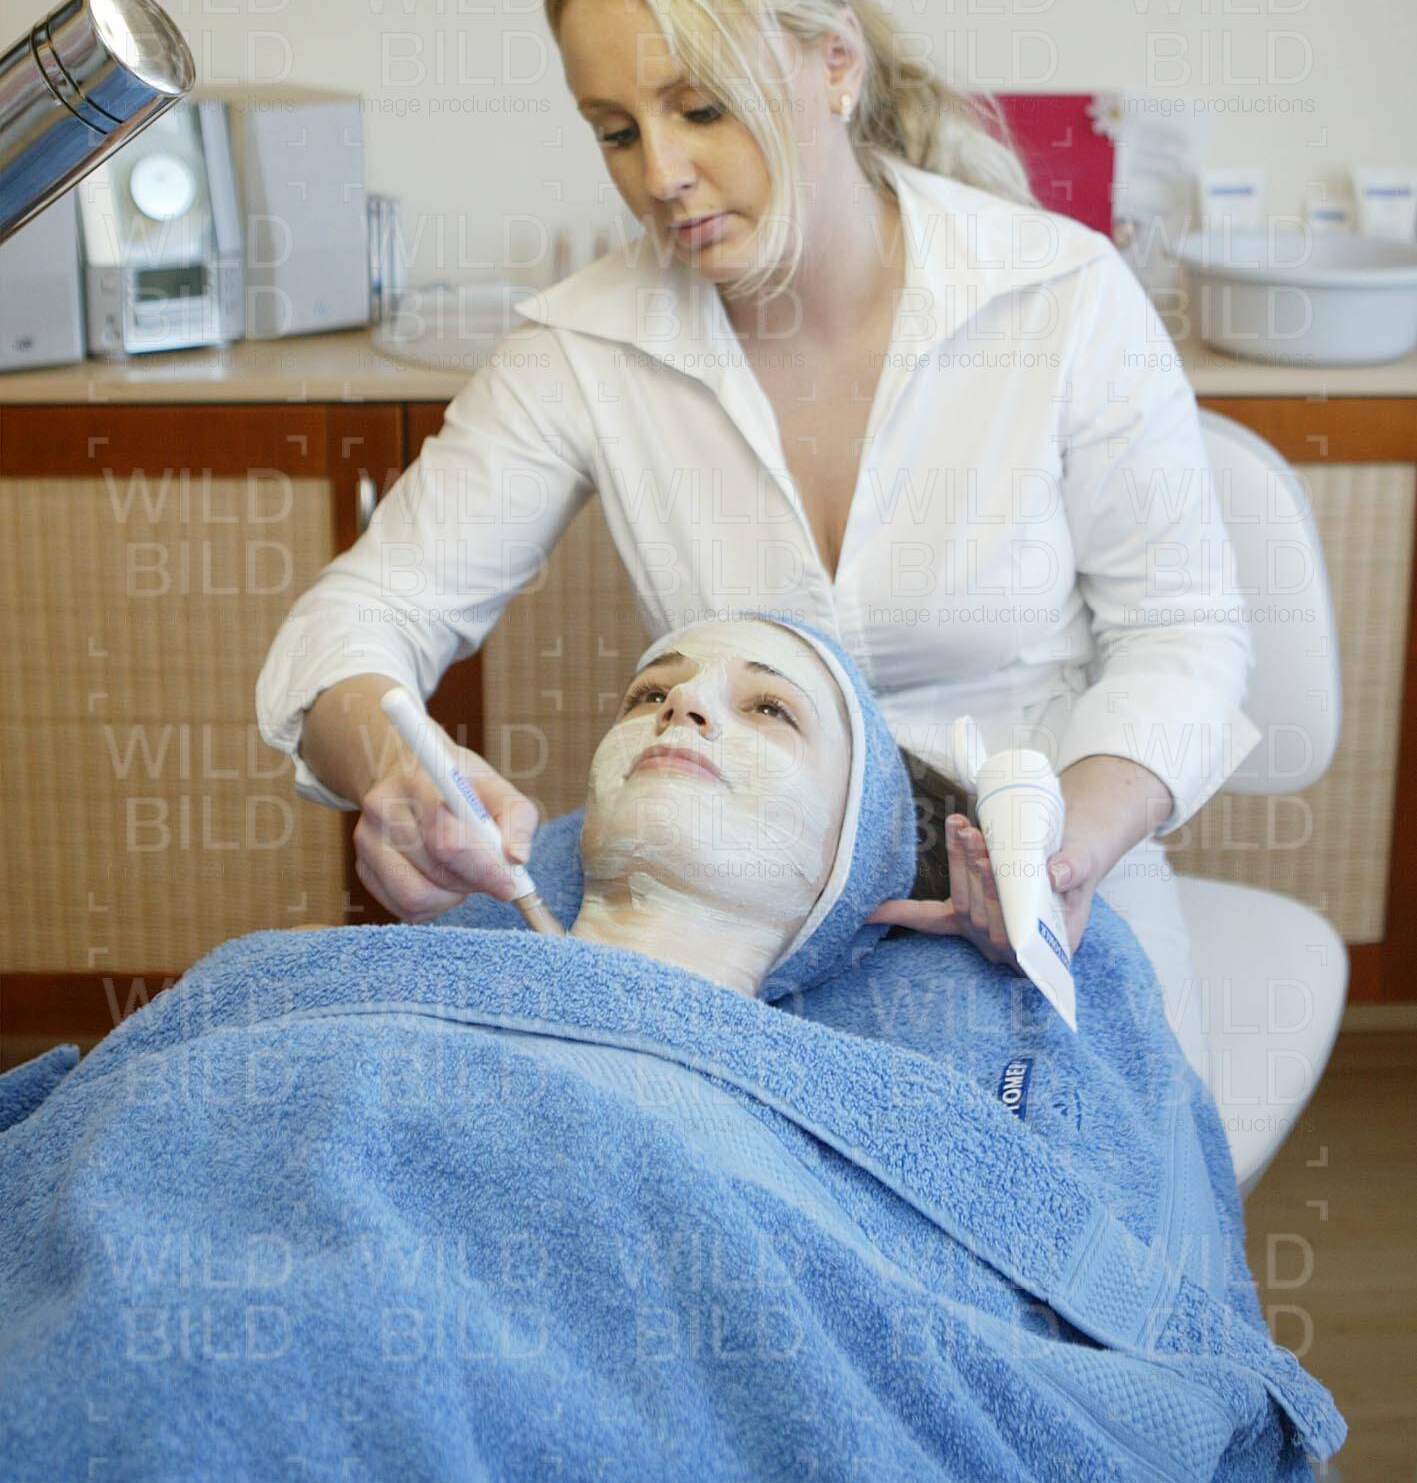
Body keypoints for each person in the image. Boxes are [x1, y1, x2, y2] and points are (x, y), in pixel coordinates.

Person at [255, 0, 1260, 1080]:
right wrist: (392, 770)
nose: (658, 174)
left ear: (835, 62)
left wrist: (1060, 854)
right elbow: (361, 615)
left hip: (1038, 876)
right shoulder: (585, 344)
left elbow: (1184, 633)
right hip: (732, 909)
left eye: (700, 108)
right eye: (615, 130)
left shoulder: (1058, 294)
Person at [2, 613, 1344, 1479]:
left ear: (849, 861)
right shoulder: (293, 985)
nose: (681, 709)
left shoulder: (845, 1129)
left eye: (768, 710)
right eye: (651, 689)